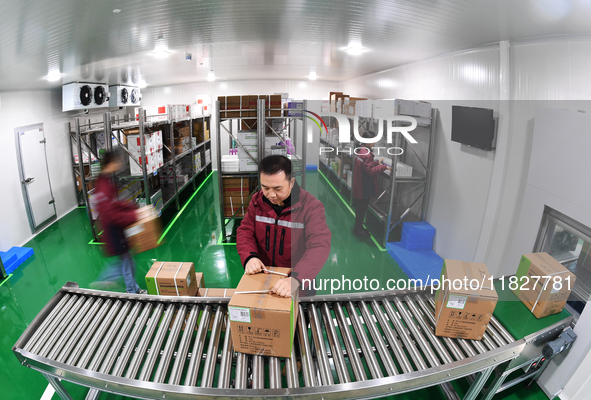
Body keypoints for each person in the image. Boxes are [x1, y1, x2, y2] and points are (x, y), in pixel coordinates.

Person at [237, 155, 331, 297]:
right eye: (265, 187)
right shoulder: (257, 201)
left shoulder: (310, 207)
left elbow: (319, 245)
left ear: (291, 182)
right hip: (266, 276)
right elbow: (245, 231)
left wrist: (296, 278)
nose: (271, 194)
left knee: (301, 318)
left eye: (277, 188)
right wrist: (250, 257)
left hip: (299, 282)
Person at [91, 149, 147, 294]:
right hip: (114, 231)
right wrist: (133, 216)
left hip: (117, 230)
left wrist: (132, 207)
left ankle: (118, 283)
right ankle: (131, 291)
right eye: (119, 161)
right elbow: (111, 214)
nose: (121, 164)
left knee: (126, 262)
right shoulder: (103, 186)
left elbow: (115, 204)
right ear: (112, 163)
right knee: (127, 263)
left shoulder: (106, 181)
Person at [352, 131, 391, 237]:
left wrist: (376, 163)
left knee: (360, 208)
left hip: (360, 183)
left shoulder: (361, 150)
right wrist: (384, 167)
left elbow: (366, 165)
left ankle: (358, 227)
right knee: (362, 208)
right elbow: (370, 171)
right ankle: (358, 229)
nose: (374, 142)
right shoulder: (366, 154)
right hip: (364, 186)